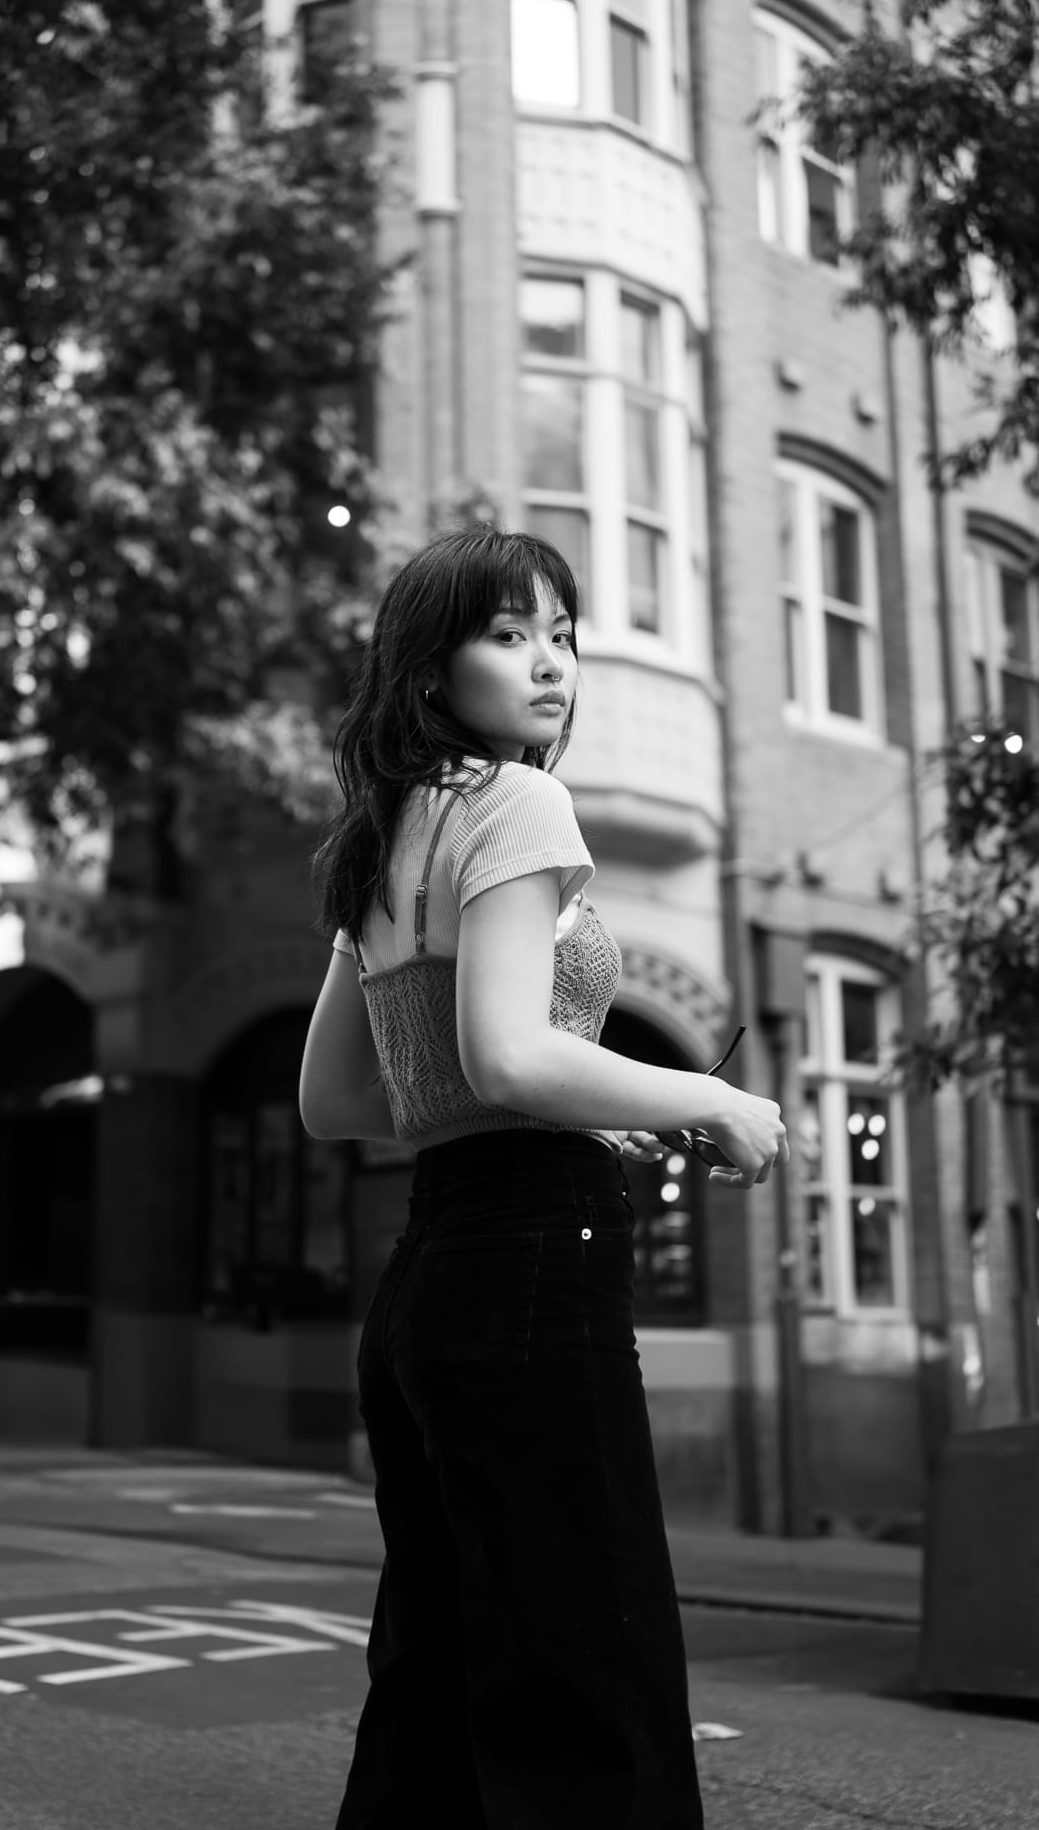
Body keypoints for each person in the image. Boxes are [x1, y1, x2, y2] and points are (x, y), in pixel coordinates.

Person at [299, 527, 788, 1830]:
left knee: (437, 1673)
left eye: (561, 635)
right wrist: (713, 1097)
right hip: (530, 1266)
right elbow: (510, 1054)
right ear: (430, 669)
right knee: (589, 1673)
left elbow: (338, 1101)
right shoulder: (516, 802)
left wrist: (587, 1121)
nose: (551, 664)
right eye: (508, 635)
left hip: (429, 1280)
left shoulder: (381, 838)